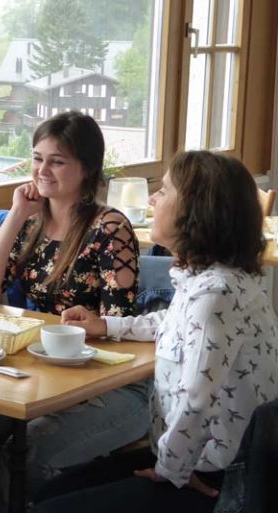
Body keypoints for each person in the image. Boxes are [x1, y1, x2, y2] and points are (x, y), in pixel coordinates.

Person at [34, 150, 278, 513]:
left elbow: (195, 400)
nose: (152, 199)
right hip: (193, 455)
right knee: (49, 493)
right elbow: (171, 322)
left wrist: (170, 471)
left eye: (163, 191)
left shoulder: (215, 295)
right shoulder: (211, 281)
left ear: (195, 211)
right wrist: (107, 325)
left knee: (50, 507)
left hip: (216, 476)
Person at [0, 111, 146, 512]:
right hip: (42, 370)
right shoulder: (31, 222)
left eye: (57, 161)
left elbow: (120, 328)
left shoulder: (109, 228)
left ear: (86, 168)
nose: (42, 170)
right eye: (37, 158)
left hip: (108, 382)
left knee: (29, 451)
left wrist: (91, 326)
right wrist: (16, 215)